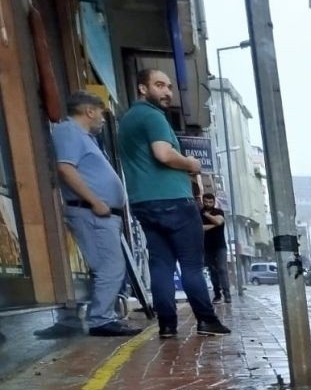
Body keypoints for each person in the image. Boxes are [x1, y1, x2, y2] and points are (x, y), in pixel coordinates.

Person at [117, 69, 230, 338]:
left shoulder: (127, 120)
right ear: (142, 88)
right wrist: (191, 164)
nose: (167, 92)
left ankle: (167, 326)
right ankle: (206, 320)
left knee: (161, 264)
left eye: (169, 86)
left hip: (143, 202)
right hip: (174, 201)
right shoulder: (153, 117)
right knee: (191, 264)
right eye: (159, 85)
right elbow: (163, 154)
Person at [36, 91, 141, 339]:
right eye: (102, 113)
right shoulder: (69, 131)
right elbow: (65, 168)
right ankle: (102, 320)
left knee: (108, 266)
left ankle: (103, 317)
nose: (103, 119)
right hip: (92, 212)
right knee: (111, 266)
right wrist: (95, 201)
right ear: (89, 111)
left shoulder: (84, 137)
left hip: (99, 213)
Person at [201, 193, 230, 303]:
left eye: (210, 202)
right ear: (203, 201)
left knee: (222, 269)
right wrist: (214, 225)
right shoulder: (199, 213)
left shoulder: (219, 212)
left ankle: (227, 295)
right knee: (212, 271)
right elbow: (200, 228)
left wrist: (207, 216)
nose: (208, 204)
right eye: (206, 202)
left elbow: (219, 221)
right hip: (207, 247)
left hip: (220, 246)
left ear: (214, 202)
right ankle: (217, 295)